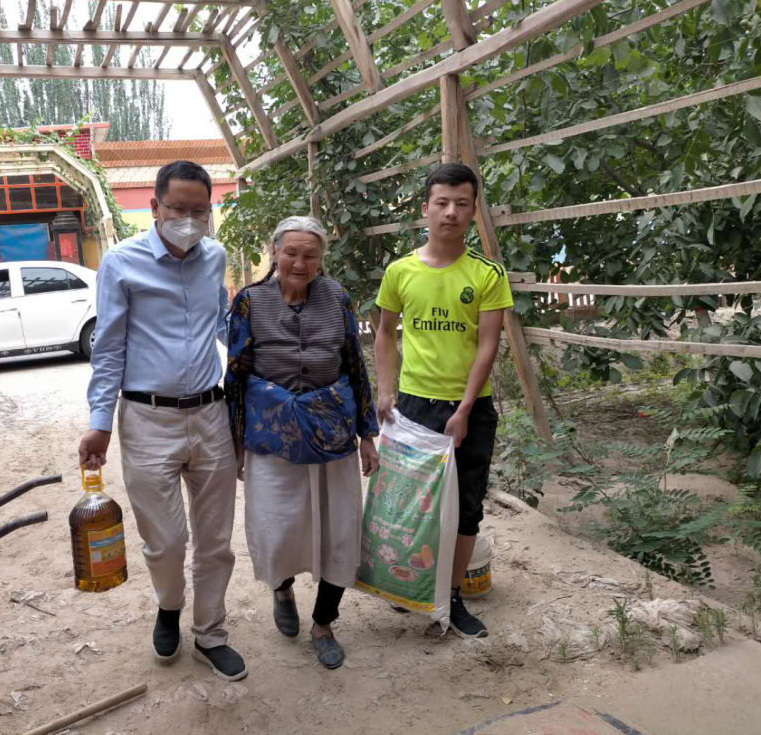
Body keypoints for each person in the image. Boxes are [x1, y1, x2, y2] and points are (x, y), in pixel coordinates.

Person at [78, 160, 247, 681]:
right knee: (167, 540)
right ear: (155, 207)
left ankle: (211, 632)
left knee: (216, 540)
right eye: (178, 209)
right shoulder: (121, 263)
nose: (190, 221)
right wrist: (100, 420)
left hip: (212, 414)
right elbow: (109, 347)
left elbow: (222, 323)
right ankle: (169, 606)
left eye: (201, 210)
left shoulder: (214, 256)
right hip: (147, 420)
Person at [224, 216, 379, 669]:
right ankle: (282, 589)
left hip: (331, 431)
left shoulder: (337, 298)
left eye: (310, 254)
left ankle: (324, 623)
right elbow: (236, 374)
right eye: (291, 252)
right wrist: (236, 440)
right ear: (274, 252)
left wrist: (368, 434)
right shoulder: (250, 301)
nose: (299, 262)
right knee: (277, 528)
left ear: (321, 258)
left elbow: (355, 365)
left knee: (339, 531)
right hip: (272, 435)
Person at [374, 163, 512, 639]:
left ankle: (451, 599)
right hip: (414, 407)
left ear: (474, 211)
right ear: (425, 209)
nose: (451, 212)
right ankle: (410, 584)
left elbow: (488, 345)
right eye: (442, 203)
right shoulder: (400, 271)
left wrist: (465, 409)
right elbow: (385, 333)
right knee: (413, 505)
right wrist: (385, 389)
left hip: (469, 409)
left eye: (462, 204)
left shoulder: (487, 274)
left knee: (466, 507)